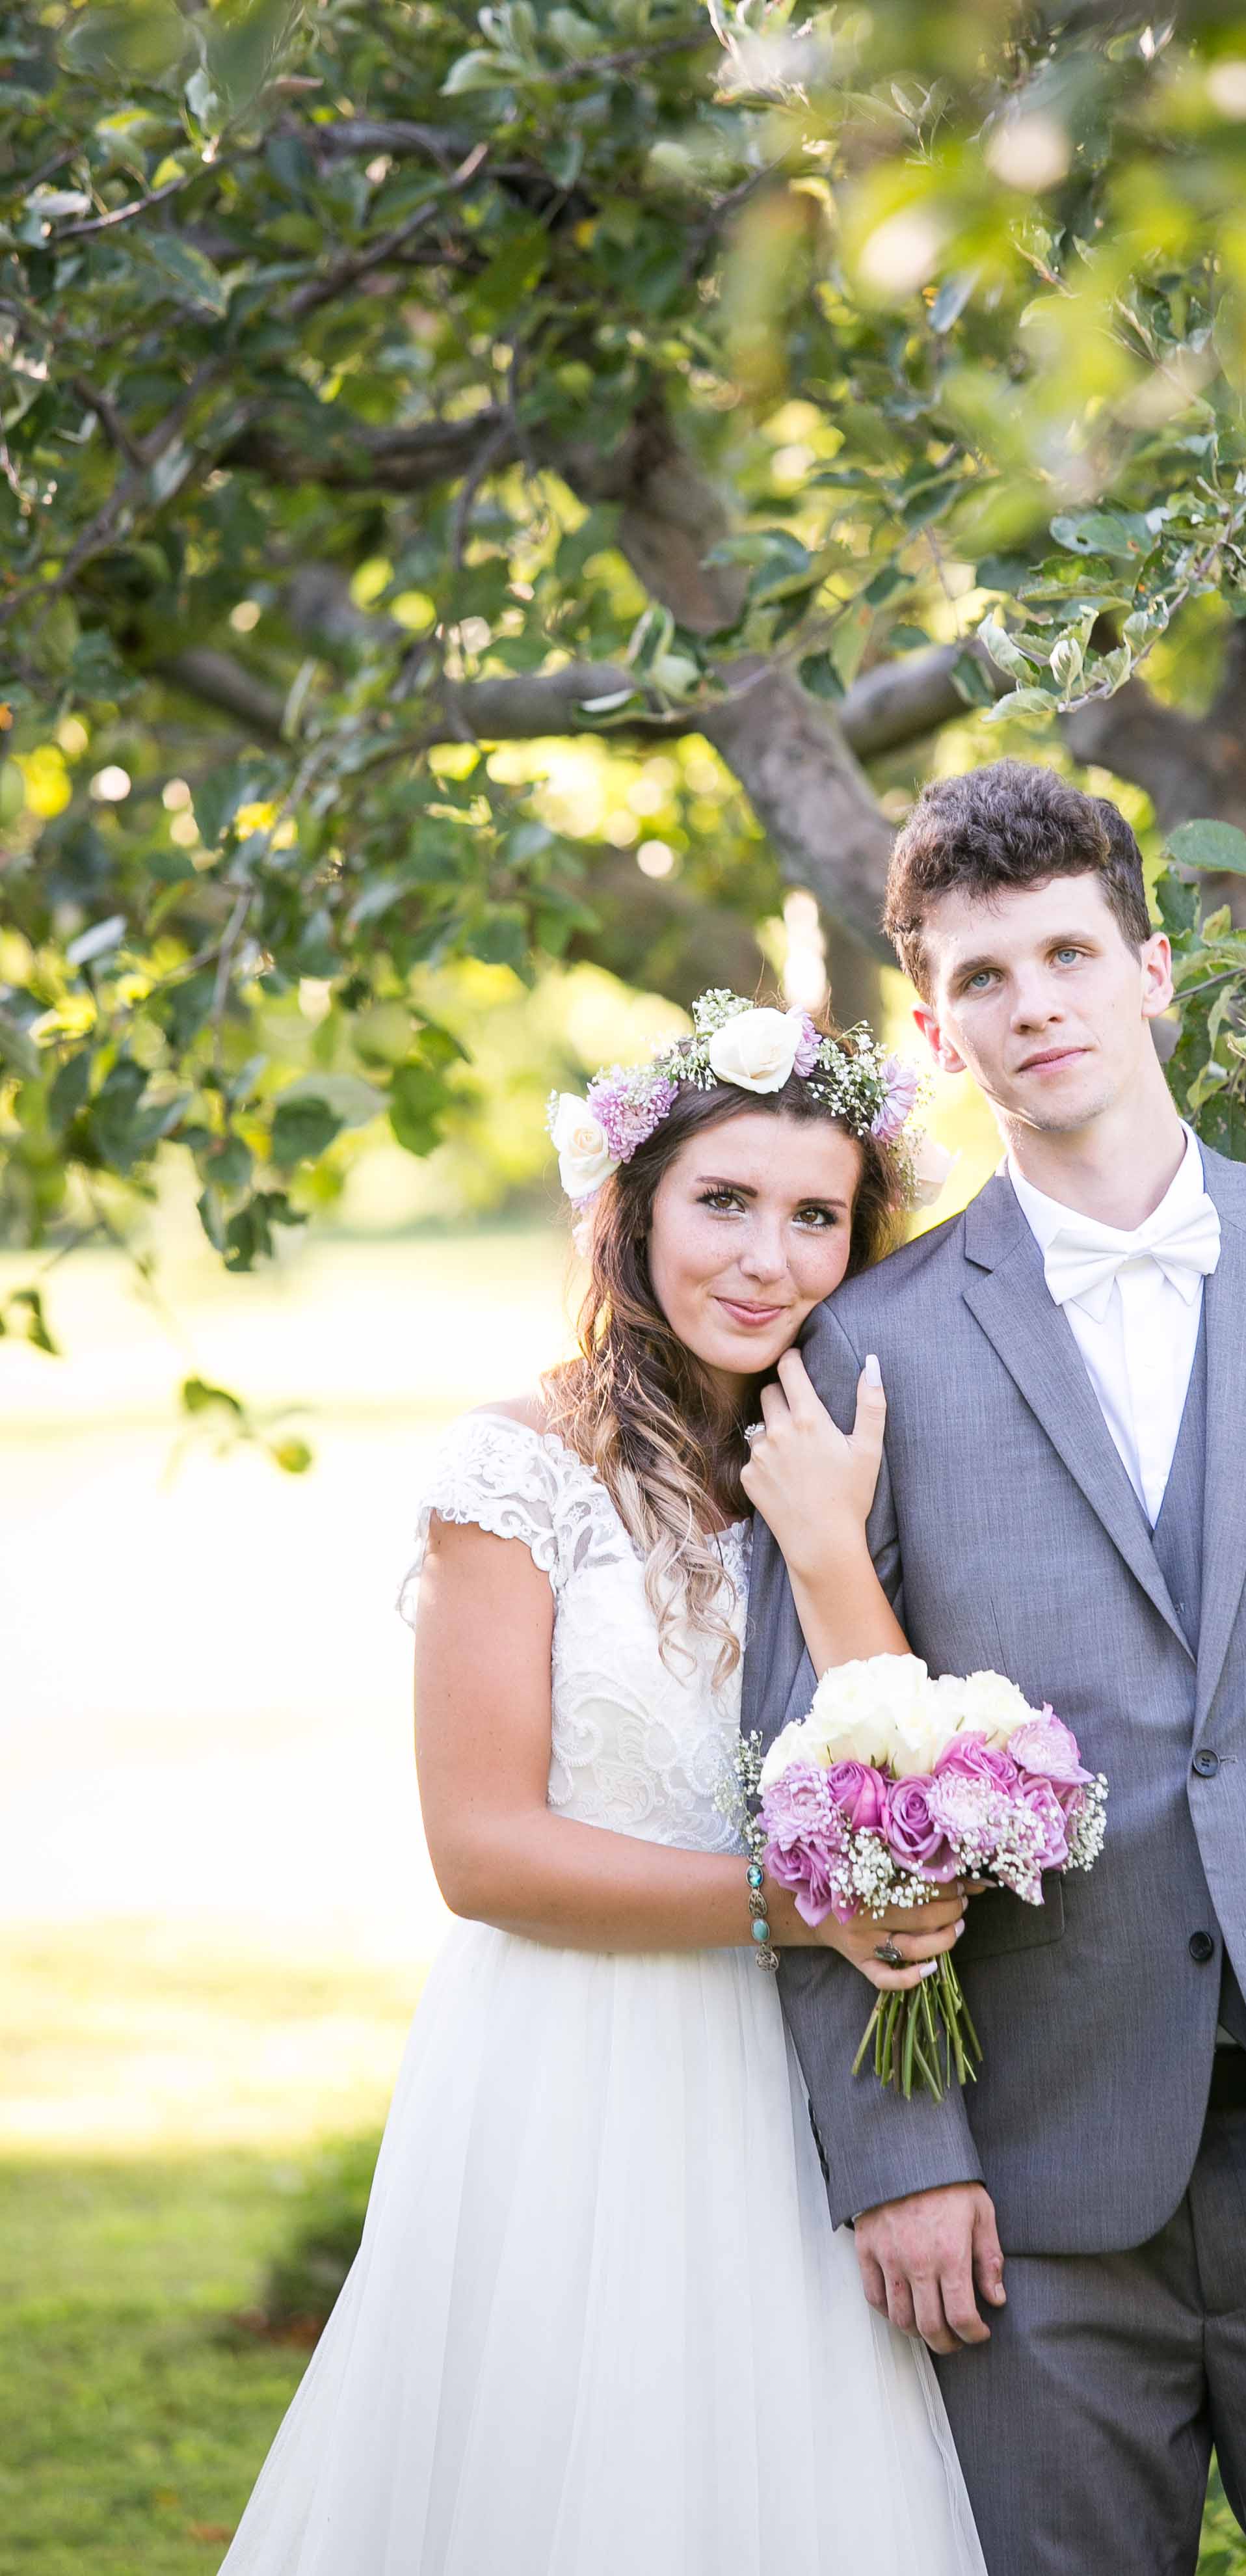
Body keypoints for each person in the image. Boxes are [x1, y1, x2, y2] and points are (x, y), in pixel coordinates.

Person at [743, 760, 1246, 2576]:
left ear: (1155, 969)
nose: (1034, 1004)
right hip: (1040, 2168)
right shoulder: (867, 1344)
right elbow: (819, 1783)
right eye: (981, 977)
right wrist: (903, 2158)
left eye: (1068, 954)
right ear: (938, 1032)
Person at [219, 999, 987, 2576]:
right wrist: (799, 1906)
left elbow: (901, 1756)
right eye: (723, 1202)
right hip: (576, 2070)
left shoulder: (852, 1459)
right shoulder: (516, 1470)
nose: (765, 1259)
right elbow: (482, 1852)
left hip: (803, 2082)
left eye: (815, 1217)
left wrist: (828, 1541)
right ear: (632, 1212)